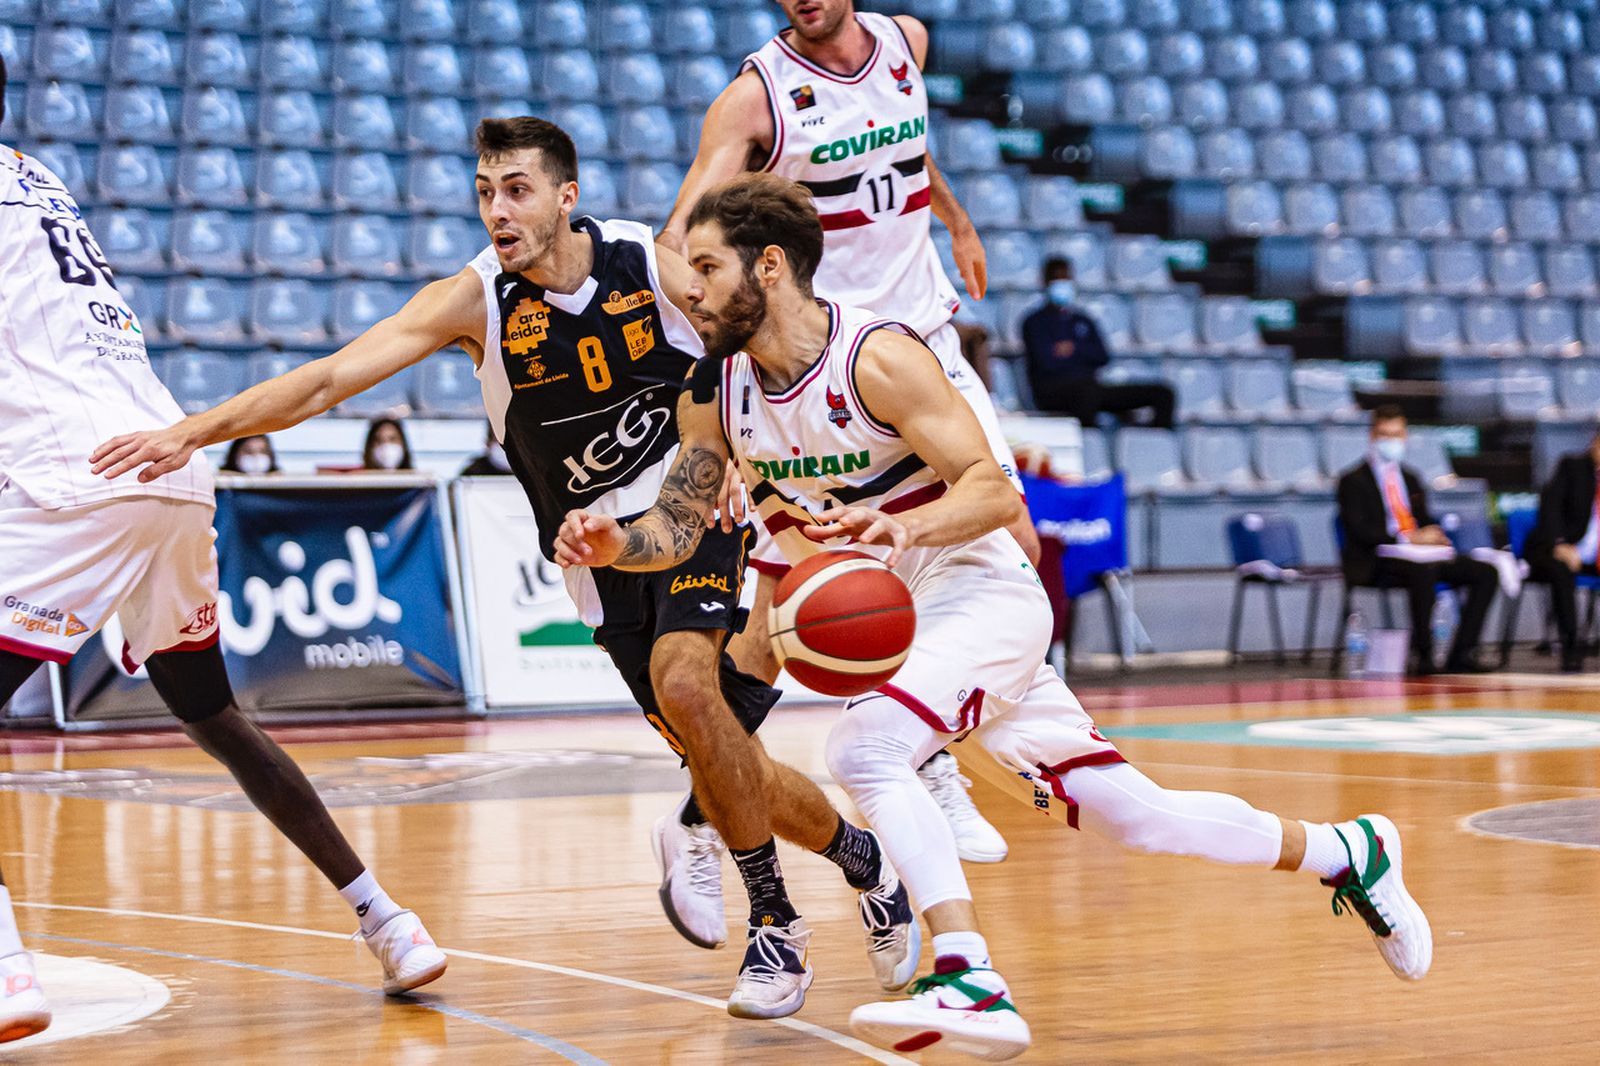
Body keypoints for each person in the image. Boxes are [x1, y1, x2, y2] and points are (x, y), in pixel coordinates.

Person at [555, 174, 1434, 1060]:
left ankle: (967, 972)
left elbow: (992, 490)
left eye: (706, 266)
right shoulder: (713, 392)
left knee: (865, 747)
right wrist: (612, 542)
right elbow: (677, 520)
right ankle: (1344, 851)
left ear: (770, 266)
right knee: (1133, 814)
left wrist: (902, 524)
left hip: (982, 589)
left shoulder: (877, 359)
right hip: (912, 624)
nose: (687, 287)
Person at [90, 117, 916, 1020]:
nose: (496, 210)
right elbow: (329, 380)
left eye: (516, 189)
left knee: (691, 689)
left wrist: (761, 466)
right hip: (591, 552)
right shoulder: (475, 300)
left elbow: (745, 332)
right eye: (484, 191)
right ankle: (863, 863)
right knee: (726, 761)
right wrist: (191, 431)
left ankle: (774, 925)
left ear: (568, 196)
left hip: (690, 492)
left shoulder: (648, 258)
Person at [0, 55, 445, 1043]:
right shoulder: (39, 179)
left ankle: (4, 973)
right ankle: (390, 919)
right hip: (168, 460)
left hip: (82, 474)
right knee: (212, 712)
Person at [660, 0, 1016, 868]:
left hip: (917, 346)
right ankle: (707, 814)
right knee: (787, 604)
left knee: (1004, 532)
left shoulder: (907, 42)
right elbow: (679, 241)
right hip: (821, 359)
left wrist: (956, 220)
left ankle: (925, 752)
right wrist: (719, 403)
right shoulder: (754, 97)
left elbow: (904, 146)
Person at [1335, 406, 1499, 676]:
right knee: (1422, 572)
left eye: (1397, 434)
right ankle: (1423, 656)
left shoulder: (1410, 478)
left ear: (1405, 437)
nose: (1391, 441)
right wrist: (1407, 537)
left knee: (1484, 572)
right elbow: (1360, 530)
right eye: (1385, 435)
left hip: (1419, 555)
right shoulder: (1352, 481)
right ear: (1372, 436)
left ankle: (1462, 652)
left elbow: (1421, 519)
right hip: (1377, 559)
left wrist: (1432, 534)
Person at [1021, 258, 1176, 429]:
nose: (1062, 284)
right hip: (1053, 393)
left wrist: (1073, 349)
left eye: (1066, 278)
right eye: (1057, 279)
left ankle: (1150, 444)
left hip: (1091, 388)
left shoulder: (1083, 320)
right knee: (1088, 393)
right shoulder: (1033, 322)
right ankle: (1091, 441)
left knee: (1163, 394)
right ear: (1045, 282)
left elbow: (1102, 356)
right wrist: (1080, 355)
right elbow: (1046, 362)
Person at [1522, 427, 1600, 673]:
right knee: (1561, 569)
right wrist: (1559, 544)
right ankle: (1570, 646)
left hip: (1596, 556)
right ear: (1595, 444)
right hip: (1557, 549)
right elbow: (1551, 507)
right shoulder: (1572, 467)